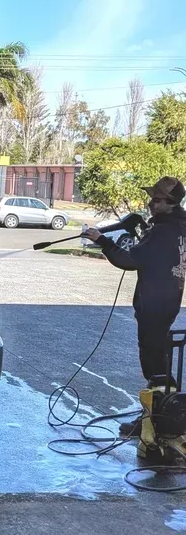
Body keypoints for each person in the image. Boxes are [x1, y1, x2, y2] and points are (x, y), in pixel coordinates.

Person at [85, 176, 186, 435]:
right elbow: (157, 255)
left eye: (157, 200)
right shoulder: (179, 227)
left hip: (154, 304)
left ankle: (156, 421)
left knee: (153, 365)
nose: (151, 203)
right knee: (159, 361)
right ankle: (162, 417)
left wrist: (101, 239)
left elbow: (128, 260)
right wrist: (143, 231)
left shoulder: (163, 231)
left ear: (171, 203)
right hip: (169, 299)